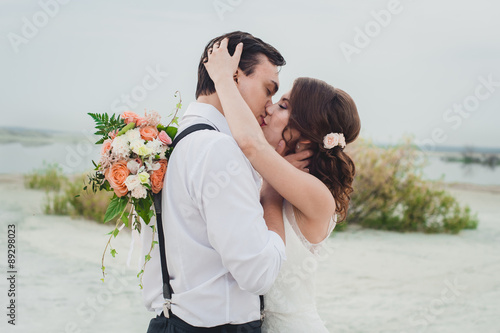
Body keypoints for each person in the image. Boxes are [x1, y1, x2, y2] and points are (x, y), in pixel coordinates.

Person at [142, 31, 309, 332]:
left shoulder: (172, 143)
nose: (269, 106)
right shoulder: (218, 149)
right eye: (268, 90)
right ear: (232, 77)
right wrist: (272, 201)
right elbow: (258, 274)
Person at [203, 38, 361, 332]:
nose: (269, 108)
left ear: (305, 134)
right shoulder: (269, 175)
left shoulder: (317, 195)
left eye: (284, 105)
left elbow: (250, 143)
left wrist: (224, 79)